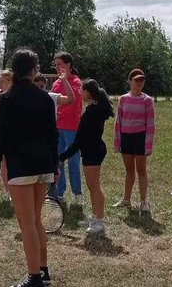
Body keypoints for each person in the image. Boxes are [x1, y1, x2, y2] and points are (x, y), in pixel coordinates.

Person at [0, 48, 59, 287]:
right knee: (36, 220)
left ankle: (34, 278)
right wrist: (55, 165)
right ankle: (43, 271)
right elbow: (53, 135)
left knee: (27, 223)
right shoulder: (45, 98)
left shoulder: (7, 99)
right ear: (33, 70)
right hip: (43, 165)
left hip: (21, 166)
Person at [59, 80, 114, 236]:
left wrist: (61, 157)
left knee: (94, 186)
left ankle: (99, 221)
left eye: (82, 91)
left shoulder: (91, 113)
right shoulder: (95, 109)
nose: (80, 93)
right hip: (93, 150)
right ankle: (96, 217)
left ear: (88, 92)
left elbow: (78, 141)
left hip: (92, 151)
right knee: (93, 186)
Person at [113, 69, 156, 214]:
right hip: (126, 138)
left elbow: (151, 124)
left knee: (141, 171)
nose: (139, 83)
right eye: (136, 80)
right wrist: (117, 143)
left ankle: (143, 202)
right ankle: (126, 200)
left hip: (140, 138)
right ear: (129, 82)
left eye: (141, 80)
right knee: (129, 171)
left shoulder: (147, 100)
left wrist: (148, 145)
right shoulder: (123, 99)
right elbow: (118, 121)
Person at [51, 52, 84, 205]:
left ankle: (78, 193)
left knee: (73, 160)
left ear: (68, 65)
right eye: (56, 65)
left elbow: (72, 104)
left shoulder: (76, 82)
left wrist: (58, 113)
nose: (57, 67)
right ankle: (60, 192)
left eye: (60, 64)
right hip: (57, 127)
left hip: (72, 126)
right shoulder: (56, 83)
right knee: (58, 160)